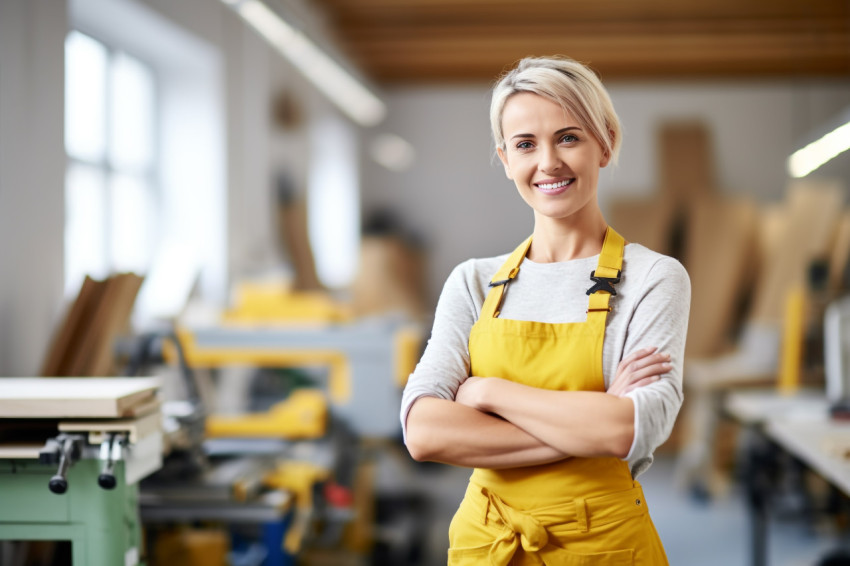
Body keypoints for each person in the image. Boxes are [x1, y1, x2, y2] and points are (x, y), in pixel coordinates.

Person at [400, 55, 691, 565]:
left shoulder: (654, 278)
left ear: (606, 143)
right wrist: (589, 423)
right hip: (486, 542)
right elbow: (424, 432)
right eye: (526, 145)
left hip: (603, 546)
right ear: (506, 159)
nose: (548, 162)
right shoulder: (473, 282)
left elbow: (628, 430)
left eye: (569, 137)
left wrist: (487, 391)